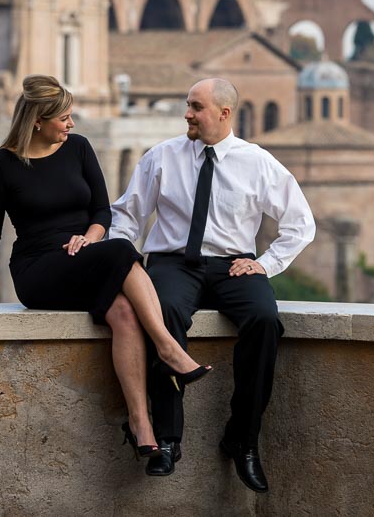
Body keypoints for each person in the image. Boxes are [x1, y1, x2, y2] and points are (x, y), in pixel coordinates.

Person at [0, 74, 210, 460]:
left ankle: (141, 423)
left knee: (124, 312)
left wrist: (90, 238)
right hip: (38, 270)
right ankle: (167, 346)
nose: (71, 124)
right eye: (63, 118)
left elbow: (100, 211)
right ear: (37, 120)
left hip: (86, 255)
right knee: (122, 250)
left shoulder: (78, 148)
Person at [110, 77, 315, 493]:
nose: (187, 113)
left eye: (196, 107)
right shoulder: (162, 156)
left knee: (264, 320)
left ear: (224, 113)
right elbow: (127, 216)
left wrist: (266, 264)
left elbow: (301, 223)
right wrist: (126, 262)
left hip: (233, 265)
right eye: (187, 104)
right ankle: (167, 440)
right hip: (171, 264)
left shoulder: (257, 162)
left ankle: (243, 438)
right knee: (162, 314)